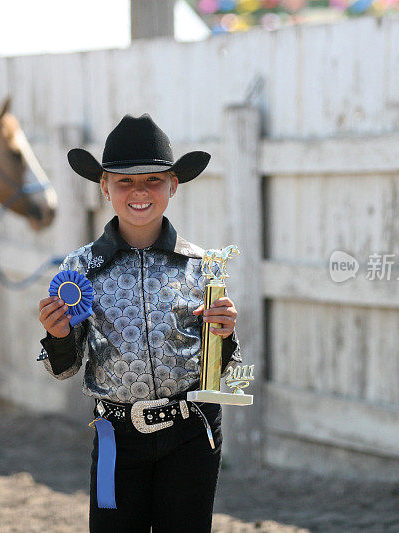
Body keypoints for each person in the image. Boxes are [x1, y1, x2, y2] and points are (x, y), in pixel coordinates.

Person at [37, 113, 242, 533]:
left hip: (191, 433)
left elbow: (220, 370)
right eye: (125, 181)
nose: (139, 192)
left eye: (152, 180)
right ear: (104, 188)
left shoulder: (202, 267)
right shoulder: (80, 269)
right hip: (117, 437)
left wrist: (226, 333)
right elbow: (64, 369)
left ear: (173, 185)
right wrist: (57, 336)